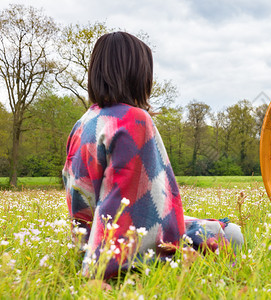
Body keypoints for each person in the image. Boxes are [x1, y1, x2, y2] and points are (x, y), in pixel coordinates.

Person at [62, 32, 243, 281]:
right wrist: (105, 269)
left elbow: (84, 199)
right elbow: (146, 207)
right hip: (119, 252)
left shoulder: (82, 123)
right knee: (232, 234)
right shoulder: (133, 120)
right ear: (136, 74)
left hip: (85, 245)